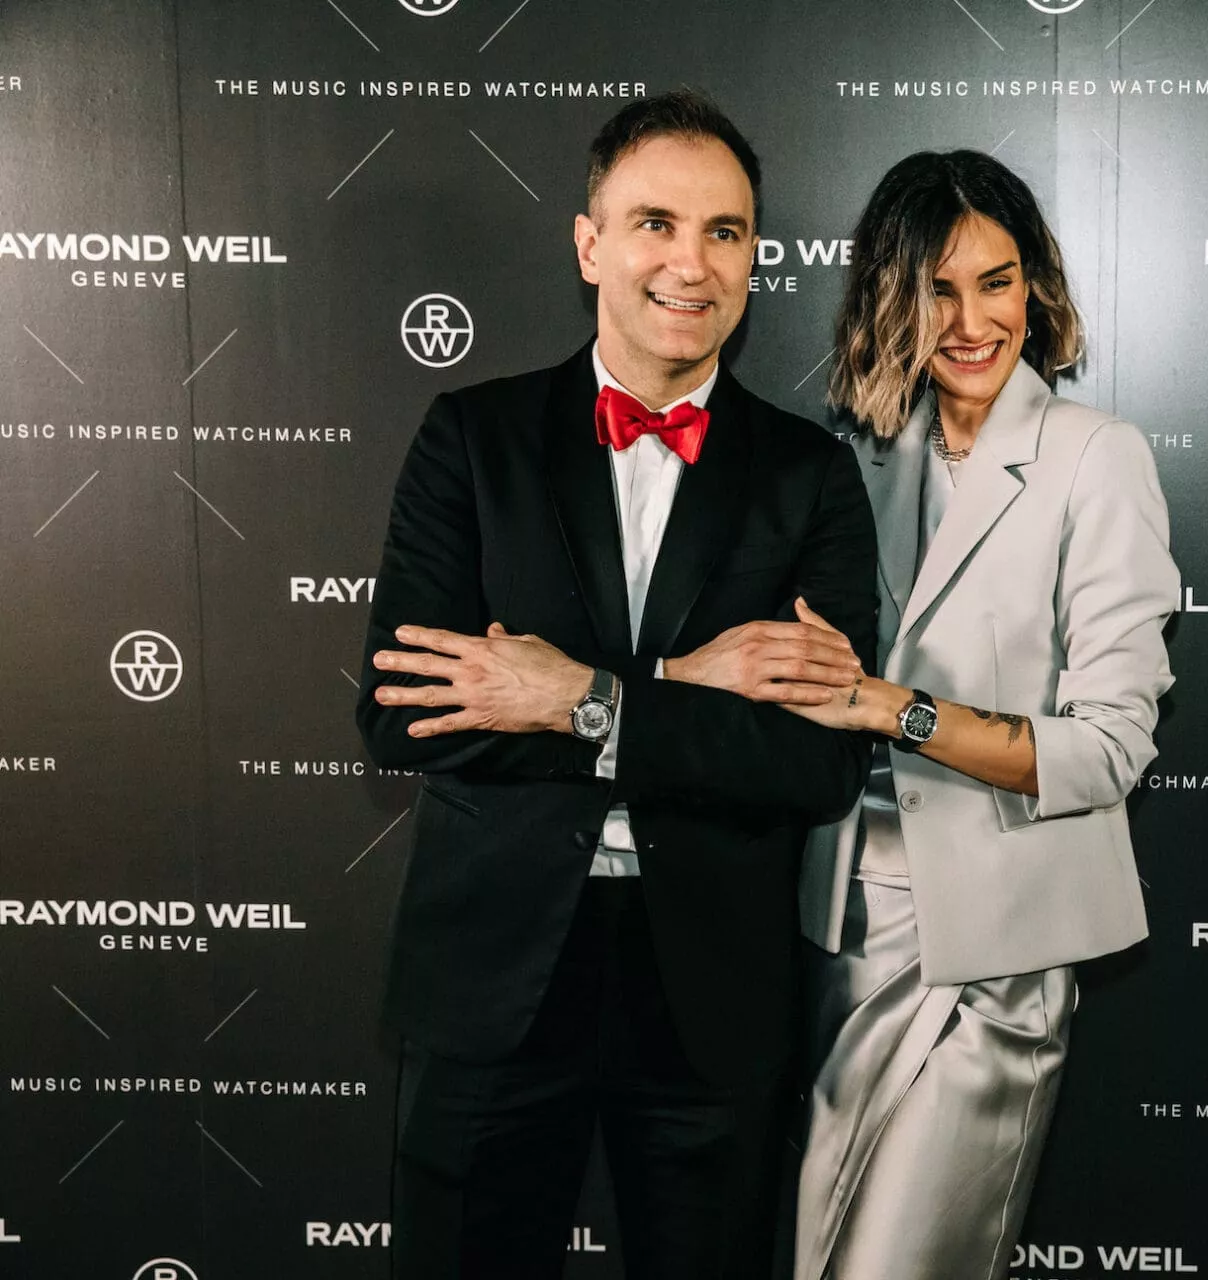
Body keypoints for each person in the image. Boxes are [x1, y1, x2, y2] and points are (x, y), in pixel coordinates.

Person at [354, 90, 877, 1280]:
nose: (691, 263)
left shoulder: (807, 475)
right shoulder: (472, 437)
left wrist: (573, 694)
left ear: (754, 255)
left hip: (712, 989)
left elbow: (815, 759)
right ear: (590, 244)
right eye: (655, 223)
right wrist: (681, 684)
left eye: (725, 231)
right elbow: (405, 709)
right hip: (493, 973)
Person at [774, 149, 1180, 1280]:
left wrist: (896, 710)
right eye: (935, 289)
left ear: (1035, 287)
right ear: (890, 298)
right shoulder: (852, 457)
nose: (968, 322)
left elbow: (1109, 746)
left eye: (995, 283)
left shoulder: (1095, 458)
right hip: (840, 938)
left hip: (994, 956)